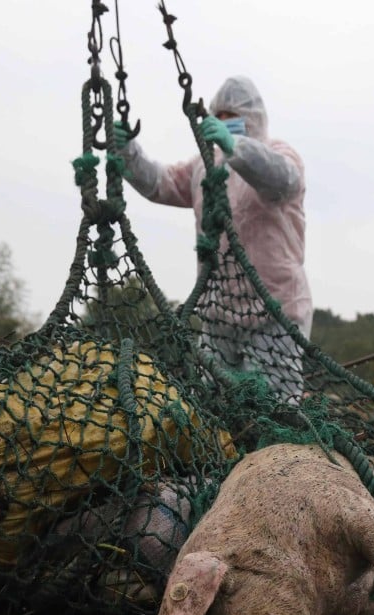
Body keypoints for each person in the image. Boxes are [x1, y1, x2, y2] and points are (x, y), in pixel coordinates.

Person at [113, 75, 311, 403]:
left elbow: (281, 179)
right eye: (217, 117)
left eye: (231, 117)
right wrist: (128, 152)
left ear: (253, 118)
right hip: (218, 316)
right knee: (215, 412)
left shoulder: (280, 154)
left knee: (273, 410)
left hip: (274, 315)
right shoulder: (204, 167)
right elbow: (160, 183)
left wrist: (237, 148)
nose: (223, 124)